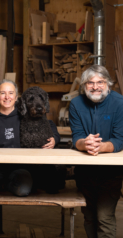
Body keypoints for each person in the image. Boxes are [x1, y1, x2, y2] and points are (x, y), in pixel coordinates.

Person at [0, 79, 60, 238]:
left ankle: (3, 184)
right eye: (2, 93)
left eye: (10, 93)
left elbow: (48, 124)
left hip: (19, 168)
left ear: (16, 97)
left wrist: (55, 138)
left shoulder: (24, 115)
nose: (6, 97)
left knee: (23, 190)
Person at [69, 65, 123, 238]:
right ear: (84, 85)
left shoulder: (119, 103)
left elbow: (120, 139)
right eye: (90, 83)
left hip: (111, 173)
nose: (95, 86)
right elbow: (76, 136)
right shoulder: (76, 104)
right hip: (85, 171)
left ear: (108, 83)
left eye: (100, 82)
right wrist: (84, 144)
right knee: (90, 216)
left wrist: (101, 147)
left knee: (105, 217)